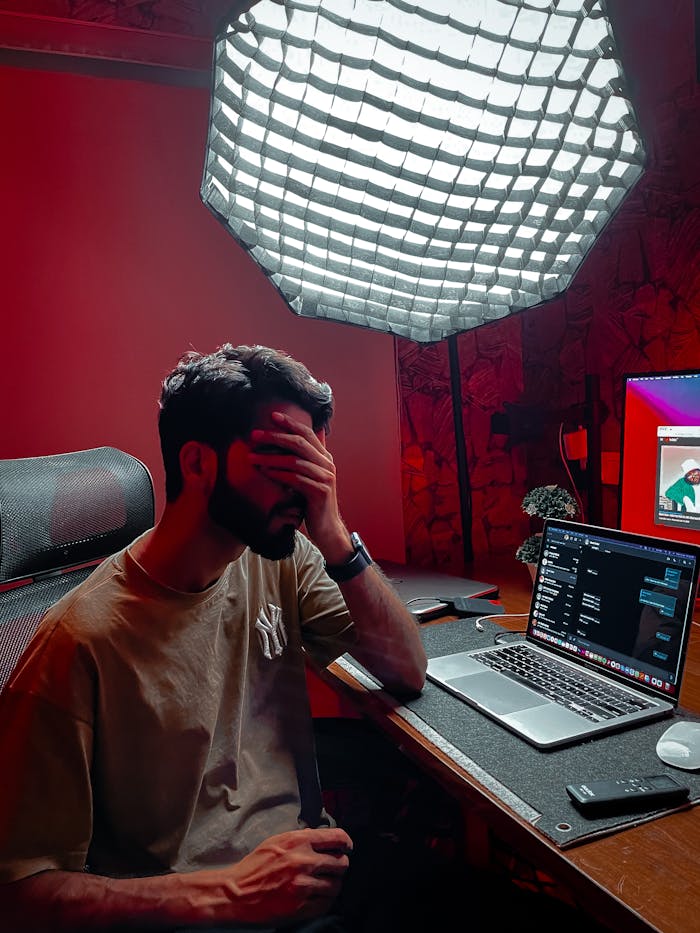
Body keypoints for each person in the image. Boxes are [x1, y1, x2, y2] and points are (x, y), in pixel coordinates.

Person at [0, 344, 428, 932]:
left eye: (312, 463)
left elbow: (407, 668)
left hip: (315, 880)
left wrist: (331, 530)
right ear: (199, 464)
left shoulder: (281, 556)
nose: (304, 488)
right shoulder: (79, 644)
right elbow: (20, 896)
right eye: (281, 461)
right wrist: (228, 893)